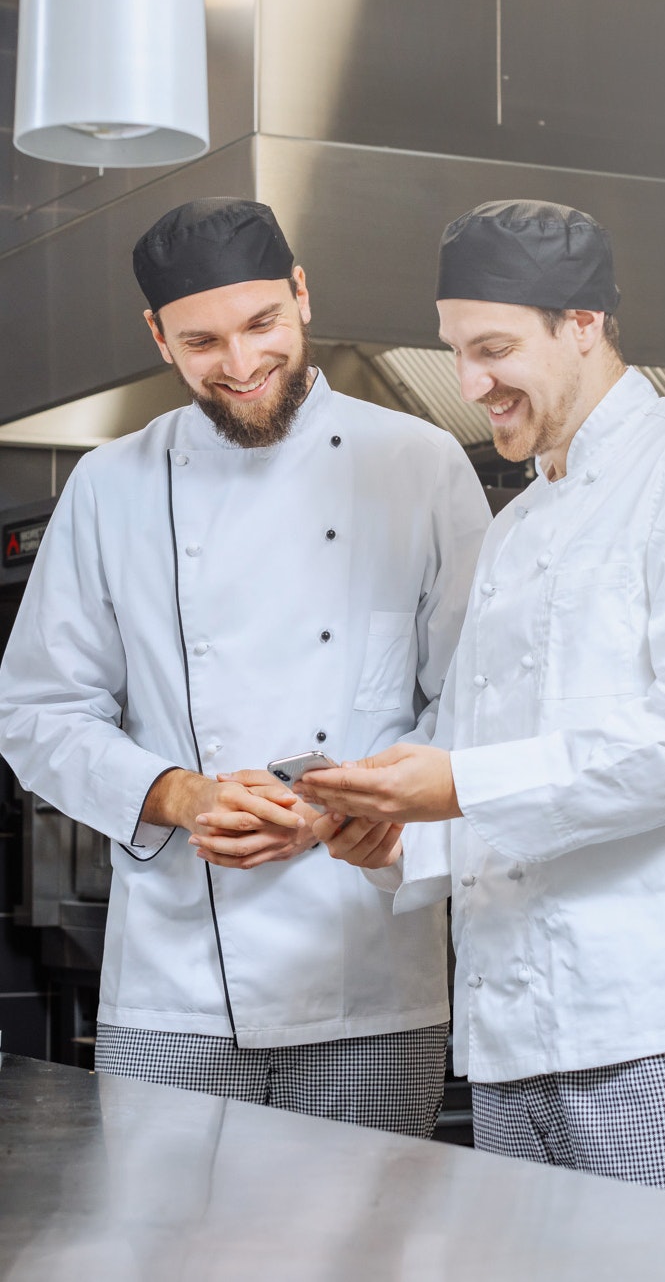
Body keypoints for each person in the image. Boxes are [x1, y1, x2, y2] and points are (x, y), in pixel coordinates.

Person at [0, 197, 490, 1134]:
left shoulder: (419, 464)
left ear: (302, 294)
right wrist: (177, 794)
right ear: (158, 336)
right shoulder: (110, 488)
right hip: (173, 992)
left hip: (370, 980)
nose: (240, 364)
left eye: (262, 323)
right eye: (201, 341)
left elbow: (476, 703)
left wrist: (348, 804)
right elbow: (34, 712)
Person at [302, 198, 665, 1201]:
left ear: (582, 324)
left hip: (656, 1030)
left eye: (492, 347)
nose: (469, 384)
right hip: (506, 1040)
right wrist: (399, 835)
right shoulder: (513, 527)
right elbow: (482, 767)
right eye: (454, 351)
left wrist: (455, 783)